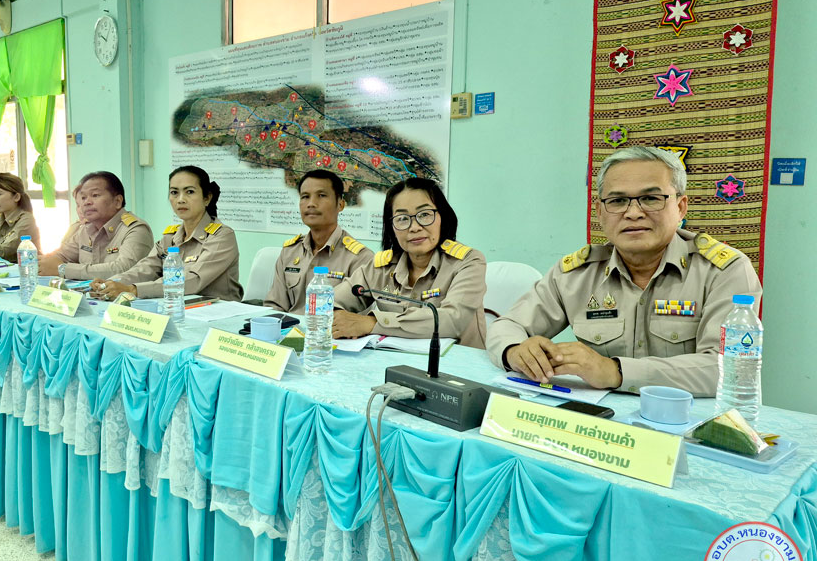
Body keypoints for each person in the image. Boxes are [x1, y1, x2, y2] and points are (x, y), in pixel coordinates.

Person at [487, 146, 763, 397]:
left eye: (651, 198)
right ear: (600, 211)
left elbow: (730, 368)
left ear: (680, 207)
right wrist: (516, 351)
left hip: (691, 427)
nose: (633, 213)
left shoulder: (725, 271)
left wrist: (615, 371)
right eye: (618, 201)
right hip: (599, 423)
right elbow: (507, 326)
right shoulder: (576, 274)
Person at [332, 178, 487, 348]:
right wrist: (341, 321)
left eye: (425, 215)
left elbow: (452, 321)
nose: (414, 227)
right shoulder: (381, 266)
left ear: (443, 217)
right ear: (391, 226)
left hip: (456, 366)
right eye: (402, 218)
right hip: (392, 363)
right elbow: (328, 302)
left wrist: (371, 323)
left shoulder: (468, 262)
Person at [91, 166, 242, 301]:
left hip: (219, 313)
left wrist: (133, 289)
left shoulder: (222, 236)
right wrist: (111, 283)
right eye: (174, 192)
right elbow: (146, 268)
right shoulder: (171, 237)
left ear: (207, 198)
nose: (181, 200)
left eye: (190, 192)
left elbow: (193, 280)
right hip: (178, 307)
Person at [264, 169, 373, 313]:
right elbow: (275, 306)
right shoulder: (289, 251)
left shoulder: (360, 258)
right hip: (286, 331)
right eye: (305, 196)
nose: (311, 204)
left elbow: (354, 317)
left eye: (321, 195)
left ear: (340, 205)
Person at [38, 171, 152, 279]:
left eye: (95, 195)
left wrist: (64, 270)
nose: (86, 202)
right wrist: (42, 263)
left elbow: (124, 269)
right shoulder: (85, 230)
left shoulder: (136, 230)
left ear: (117, 201)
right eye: (83, 197)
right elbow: (60, 256)